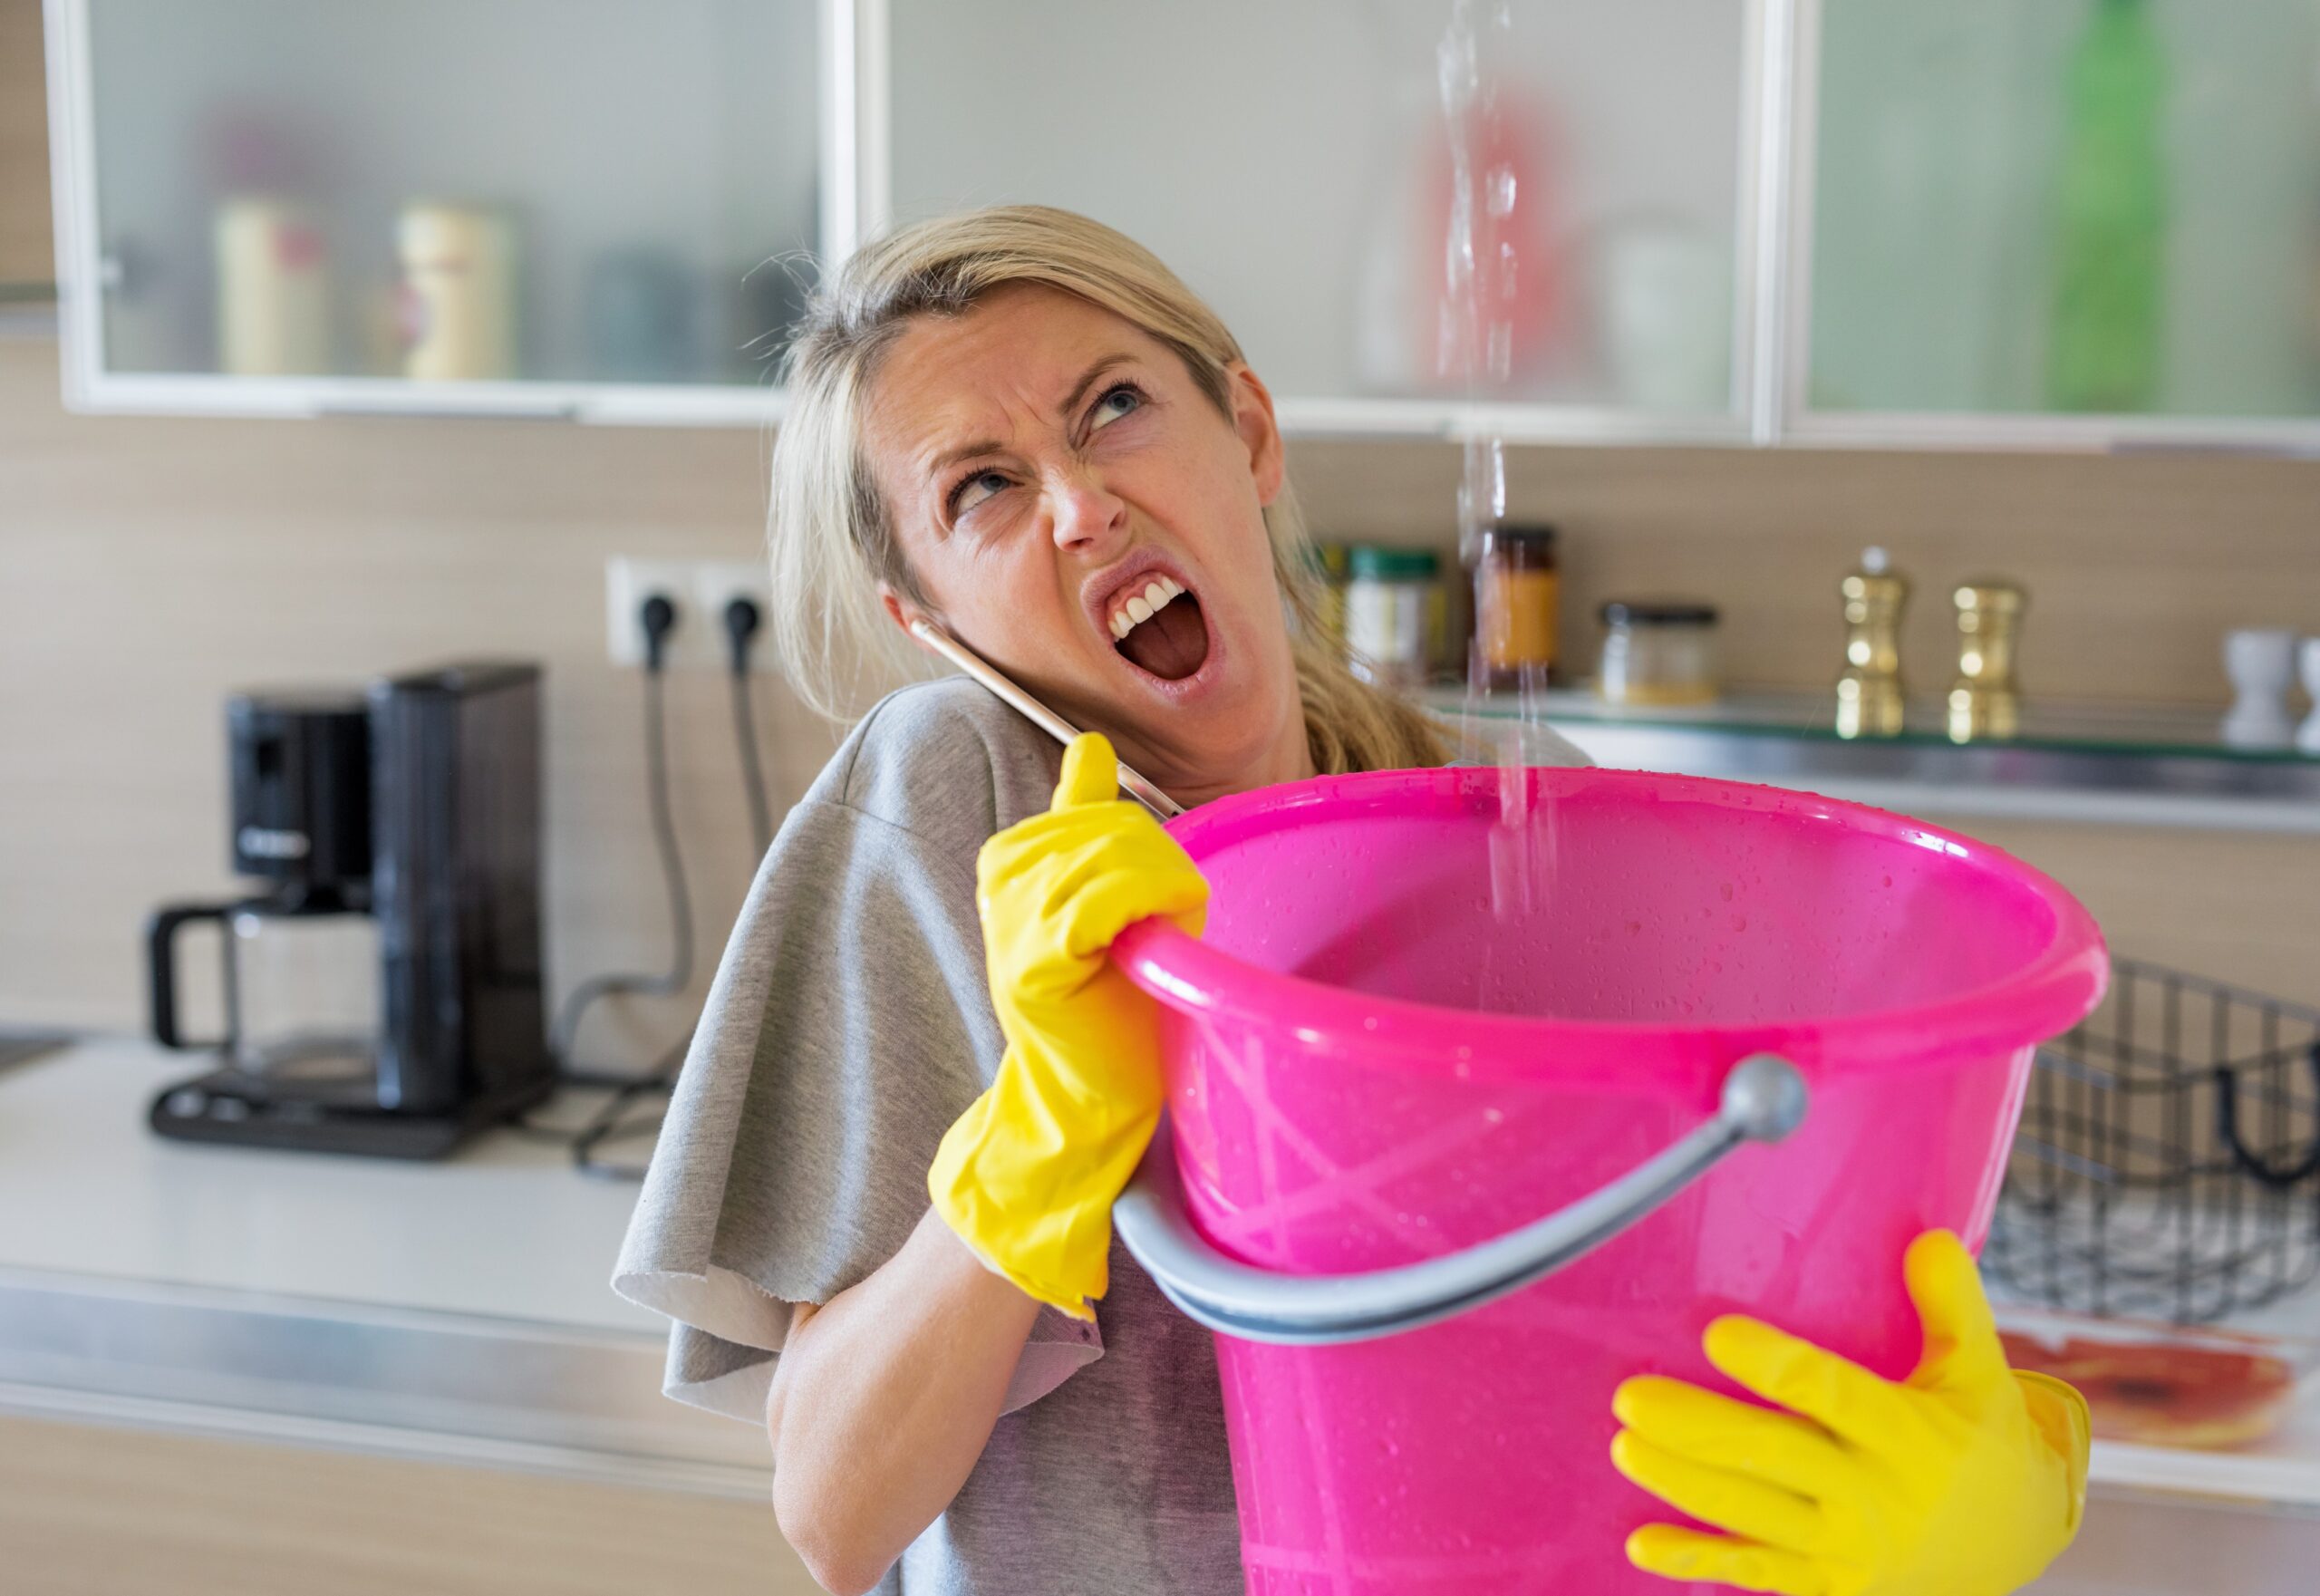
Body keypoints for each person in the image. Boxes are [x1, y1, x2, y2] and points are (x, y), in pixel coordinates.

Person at [614, 206, 2087, 1596]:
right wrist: (1035, 1141)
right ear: (928, 615)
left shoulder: (1507, 807)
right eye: (981, 489)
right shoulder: (960, 814)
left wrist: (1976, 1500)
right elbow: (831, 1508)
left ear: (1246, 431)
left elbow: (1693, 1290)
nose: (1078, 503)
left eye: (1113, 406)